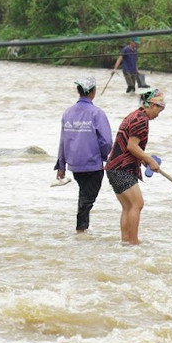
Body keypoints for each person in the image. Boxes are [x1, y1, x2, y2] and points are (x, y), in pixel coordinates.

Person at [104, 88, 166, 245]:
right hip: (122, 169)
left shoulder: (134, 115)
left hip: (114, 168)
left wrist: (145, 161)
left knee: (127, 206)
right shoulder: (141, 120)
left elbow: (130, 147)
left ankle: (125, 242)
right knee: (137, 204)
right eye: (160, 108)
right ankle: (133, 242)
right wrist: (149, 160)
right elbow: (132, 146)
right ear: (152, 105)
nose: (160, 113)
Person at [55, 77, 114, 234]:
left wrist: (61, 166)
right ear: (93, 92)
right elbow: (107, 142)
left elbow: (63, 141)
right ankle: (81, 231)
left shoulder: (67, 113)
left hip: (75, 166)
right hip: (93, 165)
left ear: (78, 91)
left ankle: (82, 232)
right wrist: (102, 156)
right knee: (87, 200)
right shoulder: (97, 113)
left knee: (85, 198)